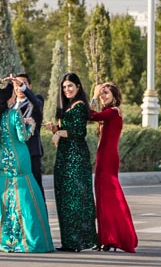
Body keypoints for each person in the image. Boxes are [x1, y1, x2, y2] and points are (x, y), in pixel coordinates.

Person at [0, 80, 54, 253]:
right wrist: (30, 125)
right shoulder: (14, 113)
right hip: (19, 157)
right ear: (10, 95)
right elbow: (23, 136)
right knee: (24, 194)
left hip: (3, 157)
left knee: (1, 191)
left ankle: (0, 236)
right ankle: (25, 238)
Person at [45, 73, 98, 252]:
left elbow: (78, 131)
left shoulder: (80, 106)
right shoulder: (67, 107)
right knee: (65, 198)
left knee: (76, 198)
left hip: (76, 158)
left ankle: (80, 241)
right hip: (64, 156)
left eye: (70, 86)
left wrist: (59, 133)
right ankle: (69, 241)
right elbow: (67, 129)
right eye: (64, 87)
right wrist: (55, 128)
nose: (67, 90)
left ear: (78, 87)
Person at [89, 82, 138, 253]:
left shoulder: (112, 112)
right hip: (103, 158)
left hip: (108, 159)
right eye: (102, 93)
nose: (103, 96)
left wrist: (93, 96)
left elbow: (90, 115)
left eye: (106, 93)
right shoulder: (109, 113)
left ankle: (113, 238)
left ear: (115, 96)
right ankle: (105, 238)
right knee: (103, 200)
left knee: (108, 199)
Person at [10, 73, 45, 197]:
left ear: (29, 85)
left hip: (32, 152)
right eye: (16, 84)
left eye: (23, 84)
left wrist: (21, 85)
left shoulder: (36, 102)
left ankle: (41, 215)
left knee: (35, 187)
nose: (19, 88)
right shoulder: (11, 106)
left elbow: (35, 102)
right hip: (15, 153)